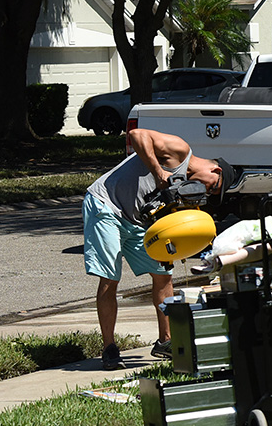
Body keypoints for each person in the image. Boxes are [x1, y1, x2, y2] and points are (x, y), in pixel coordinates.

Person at [84, 128, 236, 369]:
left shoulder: (186, 188)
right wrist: (158, 171)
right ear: (215, 170)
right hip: (106, 205)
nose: (208, 191)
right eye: (213, 186)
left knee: (163, 275)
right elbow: (136, 134)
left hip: (137, 220)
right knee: (110, 277)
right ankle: (109, 349)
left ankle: (165, 341)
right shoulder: (180, 149)